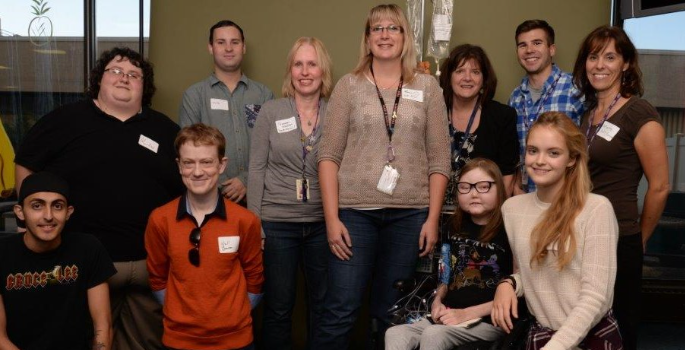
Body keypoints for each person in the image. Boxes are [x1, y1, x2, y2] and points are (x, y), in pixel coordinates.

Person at [14, 47, 183, 350]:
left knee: (148, 342)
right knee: (87, 338)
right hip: (83, 263)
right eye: (116, 71)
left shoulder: (165, 130)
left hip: (149, 265)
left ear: (144, 86)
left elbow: (186, 184)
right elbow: (26, 163)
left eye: (134, 74)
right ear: (99, 79)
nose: (124, 78)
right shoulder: (65, 120)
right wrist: (27, 220)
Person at [314, 4, 451, 349]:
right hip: (355, 214)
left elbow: (439, 159)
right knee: (341, 308)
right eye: (377, 29)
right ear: (367, 38)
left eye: (393, 28)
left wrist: (432, 219)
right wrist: (332, 219)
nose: (385, 35)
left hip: (409, 216)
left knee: (391, 313)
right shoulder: (349, 86)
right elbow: (328, 156)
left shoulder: (428, 89)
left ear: (405, 37)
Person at [572, 25, 669, 350]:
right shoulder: (588, 116)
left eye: (610, 57)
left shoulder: (638, 112)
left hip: (618, 238)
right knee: (587, 328)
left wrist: (639, 238)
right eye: (593, 56)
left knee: (619, 330)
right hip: (583, 236)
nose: (599, 65)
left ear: (626, 64)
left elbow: (659, 186)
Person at [491, 112, 622, 350]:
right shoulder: (512, 209)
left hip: (588, 338)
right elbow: (531, 273)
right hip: (541, 335)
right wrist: (508, 284)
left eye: (553, 153)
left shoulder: (596, 209)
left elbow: (596, 297)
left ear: (572, 159)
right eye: (533, 150)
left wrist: (556, 347)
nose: (540, 160)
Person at [145, 124, 264, 350]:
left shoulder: (245, 220)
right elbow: (158, 279)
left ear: (222, 165)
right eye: (189, 162)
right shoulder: (160, 220)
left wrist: (230, 318)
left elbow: (255, 279)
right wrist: (184, 317)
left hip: (235, 341)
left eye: (207, 162)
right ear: (179, 166)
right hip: (180, 340)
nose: (197, 172)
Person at [247, 37, 332, 349]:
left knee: (323, 308)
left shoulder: (336, 113)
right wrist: (255, 223)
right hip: (277, 222)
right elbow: (256, 168)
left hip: (324, 224)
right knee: (279, 308)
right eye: (298, 64)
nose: (305, 71)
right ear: (290, 71)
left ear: (323, 70)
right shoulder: (271, 111)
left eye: (312, 64)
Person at [385, 158, 513, 350]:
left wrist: (466, 314)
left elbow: (516, 293)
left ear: (499, 189)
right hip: (449, 316)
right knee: (395, 333)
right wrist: (437, 302)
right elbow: (445, 277)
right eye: (465, 187)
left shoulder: (509, 230)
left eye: (483, 187)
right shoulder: (452, 227)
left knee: (434, 335)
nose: (474, 194)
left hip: (487, 321)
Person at [0, 172, 116, 350]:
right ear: (20, 212)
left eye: (57, 206)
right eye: (37, 206)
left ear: (68, 212)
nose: (48, 216)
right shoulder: (3, 253)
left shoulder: (88, 248)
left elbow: (103, 327)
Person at [179, 20, 274, 203]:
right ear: (210, 48)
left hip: (258, 197)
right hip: (210, 197)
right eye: (221, 42)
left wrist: (245, 180)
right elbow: (188, 149)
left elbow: (273, 146)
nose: (228, 48)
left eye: (235, 42)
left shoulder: (263, 94)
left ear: (244, 47)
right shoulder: (194, 96)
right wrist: (223, 185)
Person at [509, 20, 585, 193]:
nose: (529, 50)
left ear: (551, 49)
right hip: (527, 198)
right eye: (523, 45)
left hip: (567, 198)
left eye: (537, 43)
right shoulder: (515, 98)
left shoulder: (576, 90)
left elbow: (589, 149)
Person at [439, 44, 519, 202]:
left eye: (475, 72)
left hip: (483, 213)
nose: (467, 78)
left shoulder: (502, 116)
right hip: (435, 211)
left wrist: (494, 217)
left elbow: (507, 174)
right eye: (459, 71)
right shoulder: (434, 112)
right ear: (449, 77)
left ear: (484, 79)